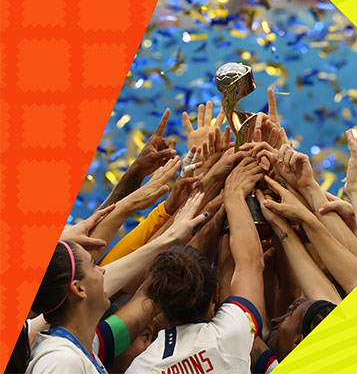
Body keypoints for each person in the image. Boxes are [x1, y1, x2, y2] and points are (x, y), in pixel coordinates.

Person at [24, 194, 207, 374]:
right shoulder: (61, 361)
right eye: (93, 265)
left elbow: (144, 295)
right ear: (78, 289)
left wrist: (171, 235)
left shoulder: (83, 347)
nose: (103, 270)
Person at [125, 156, 267, 374]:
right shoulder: (232, 333)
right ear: (215, 294)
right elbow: (250, 263)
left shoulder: (140, 368)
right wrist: (234, 194)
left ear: (157, 307)